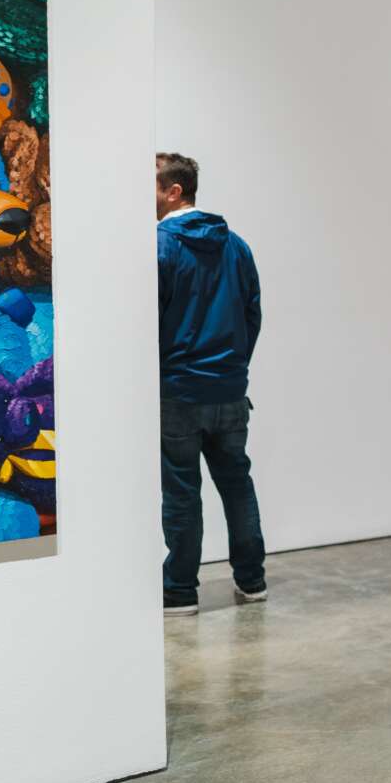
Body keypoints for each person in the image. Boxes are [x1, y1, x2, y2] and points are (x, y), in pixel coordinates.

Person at [155, 153, 267, 617]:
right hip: (230, 391)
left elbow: (148, 322)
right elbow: (252, 314)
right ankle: (252, 580)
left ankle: (180, 590)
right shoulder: (236, 246)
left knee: (182, 493)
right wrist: (233, 367)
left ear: (173, 191)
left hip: (179, 391)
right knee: (237, 485)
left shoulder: (159, 246)